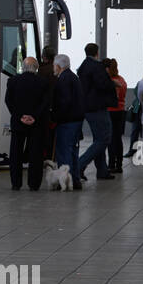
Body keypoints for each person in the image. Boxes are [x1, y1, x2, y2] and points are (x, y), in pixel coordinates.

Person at [6, 55, 51, 191]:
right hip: (36, 124)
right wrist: (34, 117)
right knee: (35, 154)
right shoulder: (43, 82)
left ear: (23, 67)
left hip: (18, 123)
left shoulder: (13, 81)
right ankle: (34, 183)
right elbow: (45, 103)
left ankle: (16, 183)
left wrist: (20, 116)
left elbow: (8, 101)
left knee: (15, 153)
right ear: (36, 68)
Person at [76, 43, 116, 181]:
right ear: (97, 53)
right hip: (97, 107)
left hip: (86, 108)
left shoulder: (82, 66)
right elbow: (102, 84)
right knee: (104, 138)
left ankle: (102, 171)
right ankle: (79, 166)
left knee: (98, 139)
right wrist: (113, 84)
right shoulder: (97, 66)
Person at [51, 53, 85, 191]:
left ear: (58, 66)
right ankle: (75, 180)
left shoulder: (63, 79)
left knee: (64, 152)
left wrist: (55, 116)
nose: (53, 68)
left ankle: (65, 180)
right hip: (76, 121)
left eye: (54, 65)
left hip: (66, 122)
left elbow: (64, 102)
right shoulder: (74, 77)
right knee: (72, 151)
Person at [105, 57, 127, 173]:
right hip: (120, 111)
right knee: (118, 139)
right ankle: (119, 165)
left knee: (110, 139)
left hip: (109, 111)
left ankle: (111, 164)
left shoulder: (107, 81)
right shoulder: (122, 80)